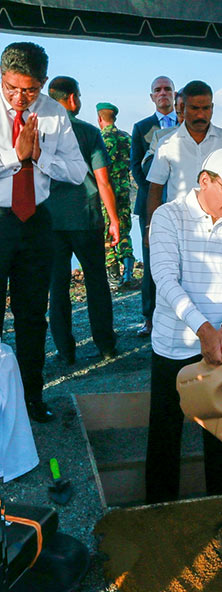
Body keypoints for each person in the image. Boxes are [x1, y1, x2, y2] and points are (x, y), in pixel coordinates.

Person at [145, 147, 222, 504]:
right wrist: (203, 329)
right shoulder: (168, 216)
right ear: (204, 180)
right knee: (165, 433)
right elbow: (165, 279)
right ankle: (157, 512)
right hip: (175, 343)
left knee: (221, 434)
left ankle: (220, 509)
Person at [0, 42, 87, 423]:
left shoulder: (54, 113)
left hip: (36, 221)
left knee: (33, 315)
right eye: (11, 88)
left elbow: (78, 171)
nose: (20, 98)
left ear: (43, 83)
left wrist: (38, 157)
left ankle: (32, 397)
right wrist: (13, 157)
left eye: (30, 90)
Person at [46, 76, 120, 365]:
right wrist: (113, 219)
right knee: (97, 282)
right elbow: (103, 181)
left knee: (57, 286)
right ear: (73, 99)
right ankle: (106, 345)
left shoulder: (39, 132)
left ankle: (65, 351)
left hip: (50, 221)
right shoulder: (89, 132)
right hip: (86, 218)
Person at [146, 80, 222, 225]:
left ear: (212, 108)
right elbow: (155, 189)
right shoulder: (167, 144)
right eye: (195, 108)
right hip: (178, 225)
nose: (200, 115)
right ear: (183, 108)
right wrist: (150, 227)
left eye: (206, 108)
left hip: (221, 224)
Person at [130, 75, 176, 338]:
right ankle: (149, 317)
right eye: (157, 90)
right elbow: (136, 166)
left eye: (167, 89)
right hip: (151, 204)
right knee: (150, 263)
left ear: (174, 93)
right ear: (151, 97)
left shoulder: (185, 122)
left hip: (182, 204)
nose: (163, 93)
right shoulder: (142, 127)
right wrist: (153, 194)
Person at [97, 101, 135, 287]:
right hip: (124, 191)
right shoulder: (127, 138)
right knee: (125, 230)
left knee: (109, 233)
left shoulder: (99, 138)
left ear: (99, 118)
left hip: (106, 193)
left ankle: (113, 278)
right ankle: (128, 273)